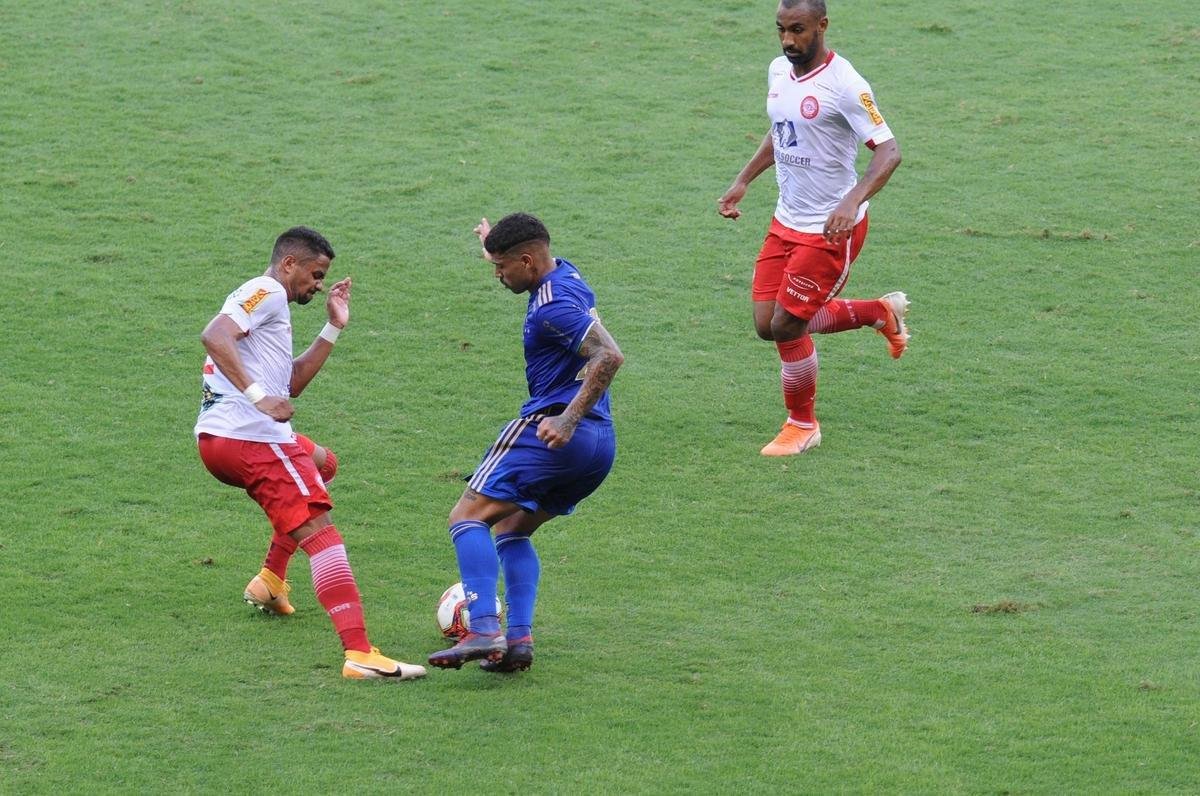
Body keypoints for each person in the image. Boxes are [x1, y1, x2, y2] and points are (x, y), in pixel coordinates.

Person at [194, 226, 425, 681]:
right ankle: (359, 652)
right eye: (316, 274)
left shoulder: (270, 306)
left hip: (224, 440)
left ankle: (270, 581)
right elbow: (214, 335)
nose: (319, 284)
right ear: (288, 265)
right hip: (252, 439)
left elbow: (292, 383)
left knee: (323, 466)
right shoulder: (266, 290)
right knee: (321, 532)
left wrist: (333, 326)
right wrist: (259, 397)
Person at [427, 213, 624, 673]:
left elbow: (610, 355)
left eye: (501, 267)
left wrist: (567, 419)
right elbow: (525, 257)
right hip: (600, 446)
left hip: (554, 432)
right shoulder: (565, 274)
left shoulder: (552, 308)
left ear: (528, 260)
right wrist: (492, 244)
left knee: (466, 517)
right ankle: (518, 642)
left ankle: (481, 628)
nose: (497, 275)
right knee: (512, 529)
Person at [718, 0, 908, 456]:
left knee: (787, 326)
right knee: (768, 324)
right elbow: (781, 130)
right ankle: (878, 312)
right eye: (781, 30)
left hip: (830, 231)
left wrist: (851, 200)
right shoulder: (778, 71)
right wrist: (744, 179)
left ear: (821, 26)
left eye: (798, 30)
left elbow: (889, 152)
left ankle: (802, 425)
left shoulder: (846, 85)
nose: (788, 40)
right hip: (785, 220)